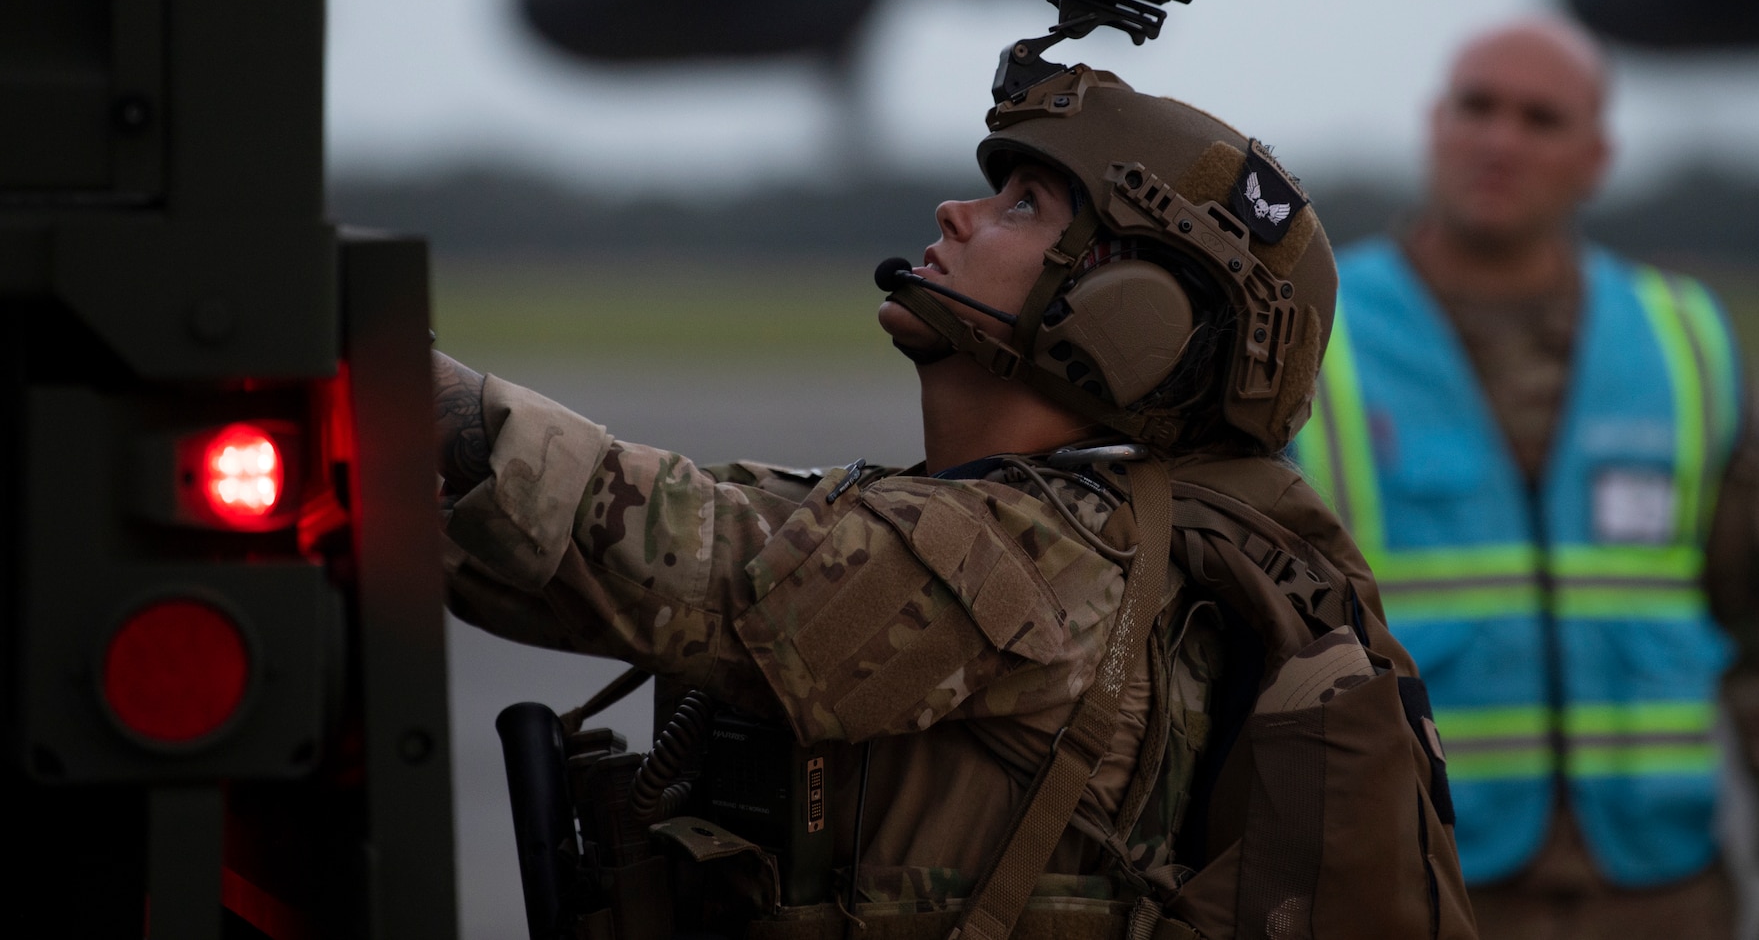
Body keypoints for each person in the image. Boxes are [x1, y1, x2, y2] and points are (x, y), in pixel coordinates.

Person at [432, 62, 1473, 940]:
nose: (955, 212)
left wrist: (395, 379)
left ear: (1131, 316)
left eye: (1024, 205)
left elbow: (695, 560)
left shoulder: (1058, 560)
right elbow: (737, 529)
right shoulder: (1012, 520)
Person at [1290, 19, 1759, 940]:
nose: (1500, 138)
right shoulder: (1310, 335)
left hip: (1660, 891)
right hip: (1406, 886)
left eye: (1541, 118)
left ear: (1597, 157)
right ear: (1435, 123)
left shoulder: (1683, 338)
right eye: (1476, 106)